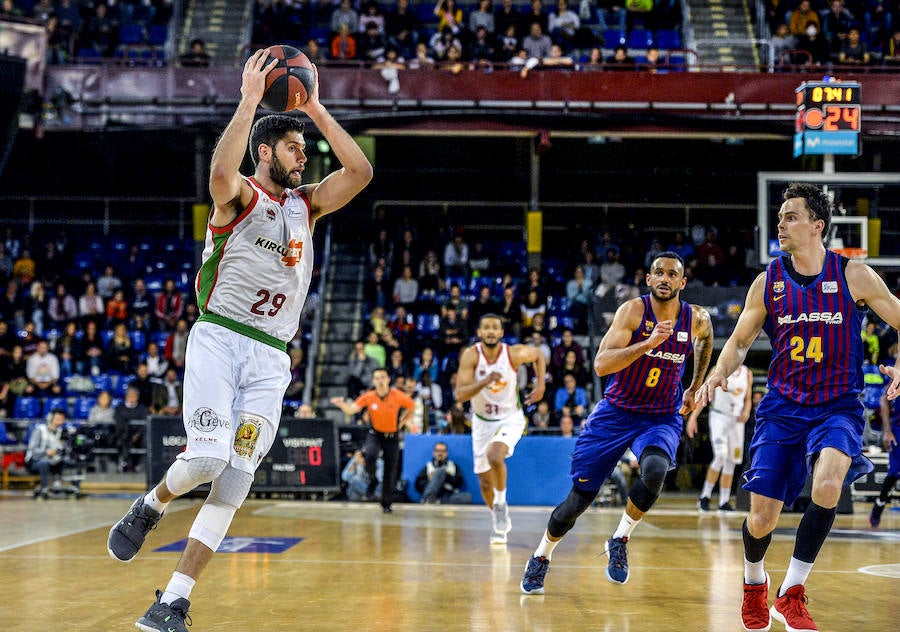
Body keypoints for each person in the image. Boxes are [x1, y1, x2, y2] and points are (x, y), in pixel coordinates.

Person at [106, 48, 373, 632]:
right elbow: (219, 177)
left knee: (236, 476)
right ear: (265, 150)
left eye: (306, 148)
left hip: (272, 357)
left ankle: (172, 601)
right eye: (293, 146)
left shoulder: (307, 206)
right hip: (221, 339)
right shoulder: (242, 197)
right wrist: (250, 100)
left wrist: (318, 108)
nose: (304, 155)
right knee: (204, 458)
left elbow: (361, 174)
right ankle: (151, 503)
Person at [694, 182, 900, 632]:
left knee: (828, 483)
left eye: (791, 216)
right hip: (783, 407)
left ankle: (792, 592)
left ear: (817, 225)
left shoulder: (854, 276)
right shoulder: (768, 281)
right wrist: (717, 373)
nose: (781, 223)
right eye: (781, 216)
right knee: (762, 515)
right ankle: (754, 583)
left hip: (837, 408)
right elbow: (741, 341)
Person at [520, 251, 713, 594]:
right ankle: (541, 556)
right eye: (659, 273)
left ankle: (620, 537)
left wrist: (695, 386)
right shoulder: (633, 312)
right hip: (617, 413)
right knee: (577, 502)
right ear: (649, 279)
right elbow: (601, 365)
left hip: (660, 416)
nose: (665, 279)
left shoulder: (695, 318)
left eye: (672, 274)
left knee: (655, 470)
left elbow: (706, 338)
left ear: (682, 283)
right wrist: (648, 343)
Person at [454, 313, 547, 544]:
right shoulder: (471, 355)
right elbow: (460, 394)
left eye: (495, 327)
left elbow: (538, 356)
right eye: (486, 327)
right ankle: (497, 513)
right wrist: (485, 381)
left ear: (502, 332)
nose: (491, 331)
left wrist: (541, 386)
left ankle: (501, 501)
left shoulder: (512, 353)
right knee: (484, 481)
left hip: (510, 418)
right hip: (481, 421)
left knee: (495, 455)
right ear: (479, 332)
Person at [330, 367, 416, 513]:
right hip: (375, 433)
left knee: (390, 470)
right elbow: (351, 410)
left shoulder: (397, 395)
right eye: (377, 378)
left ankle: (386, 504)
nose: (380, 381)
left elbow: (412, 406)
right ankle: (372, 477)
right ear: (373, 381)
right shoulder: (369, 396)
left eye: (383, 377)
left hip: (392, 436)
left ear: (388, 379)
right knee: (370, 454)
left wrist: (401, 422)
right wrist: (341, 404)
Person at [687, 363, 753, 513]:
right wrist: (693, 417)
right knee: (720, 456)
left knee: (731, 461)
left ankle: (724, 501)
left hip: (736, 421)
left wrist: (747, 411)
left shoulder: (747, 373)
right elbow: (704, 394)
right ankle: (705, 496)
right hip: (719, 416)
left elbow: (748, 398)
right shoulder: (718, 369)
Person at [870, 383, 898, 527]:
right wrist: (887, 431)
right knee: (895, 472)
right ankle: (880, 502)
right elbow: (884, 400)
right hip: (898, 430)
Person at [25, 408, 67, 499]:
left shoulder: (61, 432)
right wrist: (46, 452)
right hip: (34, 461)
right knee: (43, 463)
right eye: (57, 419)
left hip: (52, 460)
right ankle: (44, 488)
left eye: (61, 419)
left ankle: (59, 484)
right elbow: (33, 450)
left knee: (67, 460)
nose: (59, 422)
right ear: (51, 418)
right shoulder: (40, 430)